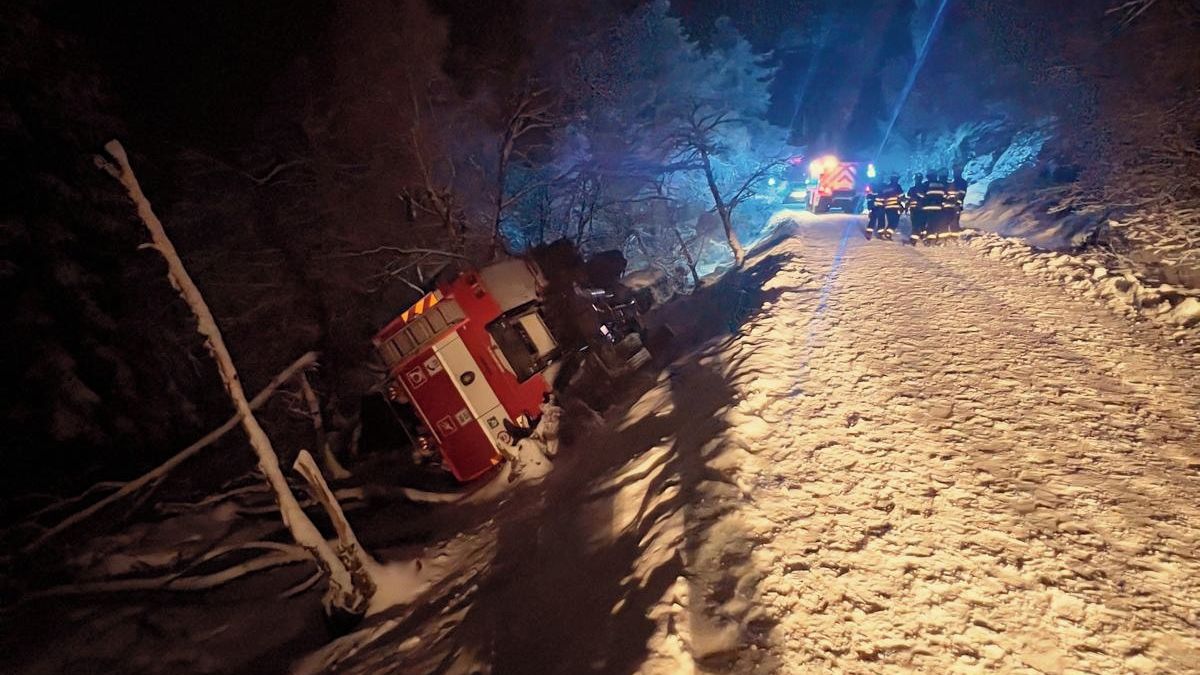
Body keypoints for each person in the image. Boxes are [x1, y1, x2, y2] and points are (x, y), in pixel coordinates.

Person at [920, 170, 948, 245]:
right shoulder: (941, 185)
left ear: (928, 177)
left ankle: (930, 239)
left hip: (927, 208)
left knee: (930, 224)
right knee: (938, 223)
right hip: (938, 208)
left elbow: (921, 195)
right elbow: (945, 196)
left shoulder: (926, 184)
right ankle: (940, 239)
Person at [879, 174, 904, 240]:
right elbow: (901, 196)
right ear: (896, 179)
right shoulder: (897, 186)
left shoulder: (887, 187)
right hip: (895, 207)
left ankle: (887, 233)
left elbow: (883, 196)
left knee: (890, 221)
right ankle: (888, 233)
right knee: (895, 221)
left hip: (887, 207)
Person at [946, 168, 968, 238]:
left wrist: (958, 202)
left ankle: (954, 233)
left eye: (956, 172)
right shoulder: (953, 182)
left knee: (955, 218)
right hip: (952, 204)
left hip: (956, 204)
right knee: (952, 218)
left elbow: (962, 193)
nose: (955, 173)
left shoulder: (962, 182)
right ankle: (952, 232)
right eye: (954, 172)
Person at [906, 173, 926, 246]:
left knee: (915, 224)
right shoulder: (924, 187)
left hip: (915, 209)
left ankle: (913, 240)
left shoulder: (912, 189)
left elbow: (908, 200)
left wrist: (906, 207)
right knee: (922, 223)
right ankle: (923, 236)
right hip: (921, 209)